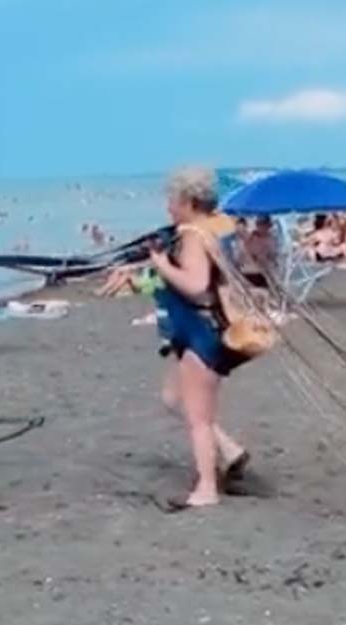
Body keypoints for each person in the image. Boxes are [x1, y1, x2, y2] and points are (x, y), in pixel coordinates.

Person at [148, 166, 249, 508]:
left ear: (189, 201)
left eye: (172, 200)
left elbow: (195, 285)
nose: (168, 208)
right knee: (172, 397)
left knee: (199, 420)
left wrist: (161, 264)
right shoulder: (222, 226)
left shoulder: (193, 234)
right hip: (213, 329)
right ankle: (230, 452)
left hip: (201, 332)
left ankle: (207, 489)